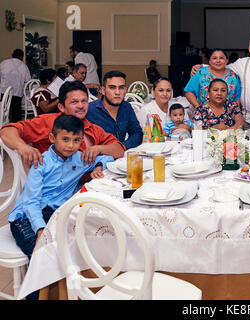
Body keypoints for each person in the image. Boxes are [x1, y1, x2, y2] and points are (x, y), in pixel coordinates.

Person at [8, 114, 114, 299]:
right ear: (52, 138)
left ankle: (73, 292)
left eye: (76, 140)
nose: (70, 145)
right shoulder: (40, 162)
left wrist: (97, 166)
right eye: (65, 139)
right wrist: (40, 228)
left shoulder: (79, 159)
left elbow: (109, 159)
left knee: (76, 244)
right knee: (40, 254)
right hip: (25, 217)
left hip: (55, 214)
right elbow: (30, 202)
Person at [0, 80, 125, 169]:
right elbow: (7, 131)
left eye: (84, 101)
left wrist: (99, 148)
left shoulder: (91, 127)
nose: (81, 106)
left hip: (90, 184)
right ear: (61, 107)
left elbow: (119, 150)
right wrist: (23, 147)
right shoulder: (48, 122)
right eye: (74, 102)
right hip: (57, 190)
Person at [86, 71, 143, 150]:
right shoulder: (90, 110)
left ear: (125, 90)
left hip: (120, 157)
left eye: (121, 87)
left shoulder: (126, 107)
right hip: (98, 158)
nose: (117, 92)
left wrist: (121, 147)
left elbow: (137, 133)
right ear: (103, 90)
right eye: (112, 87)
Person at [0, 49, 31, 122]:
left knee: (3, 110)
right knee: (16, 112)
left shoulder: (4, 63)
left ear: (12, 55)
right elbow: (28, 81)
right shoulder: (24, 66)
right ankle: (15, 125)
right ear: (21, 57)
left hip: (4, 92)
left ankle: (3, 122)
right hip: (16, 94)